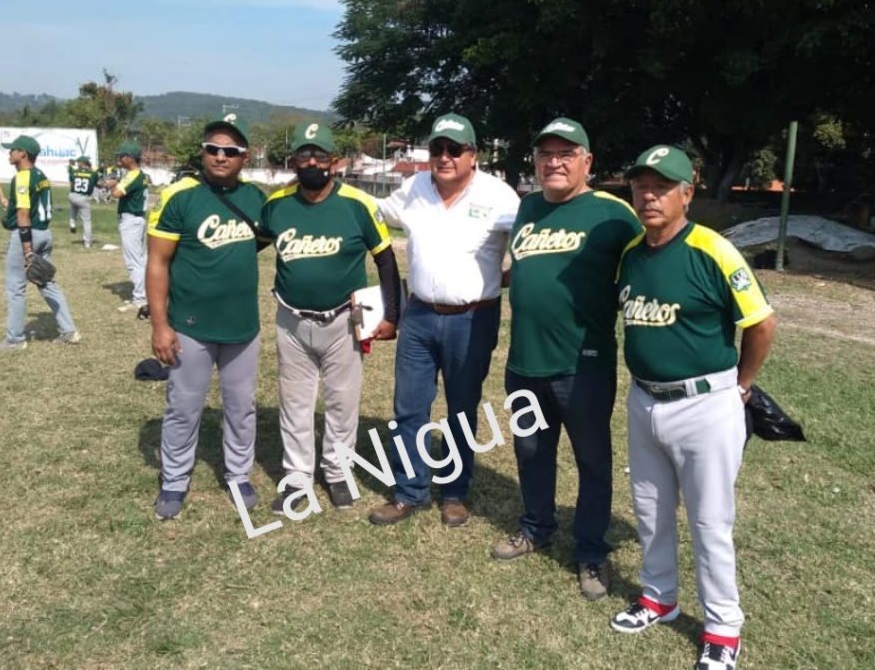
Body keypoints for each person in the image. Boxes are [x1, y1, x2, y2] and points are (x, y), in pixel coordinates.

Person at [609, 145, 776, 670]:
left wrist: (741, 385)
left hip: (706, 402)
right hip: (644, 398)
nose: (649, 194)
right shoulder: (631, 251)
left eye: (662, 185)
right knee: (650, 509)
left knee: (709, 521)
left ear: (688, 192)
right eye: (641, 185)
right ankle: (659, 596)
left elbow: (761, 322)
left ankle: (723, 628)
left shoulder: (713, 250)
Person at [489, 116, 642, 600]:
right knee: (532, 451)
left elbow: (647, 272)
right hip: (525, 362)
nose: (554, 162)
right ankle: (536, 526)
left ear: (587, 162)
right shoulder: (529, 207)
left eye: (566, 154)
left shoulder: (614, 215)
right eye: (545, 154)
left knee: (592, 460)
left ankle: (591, 551)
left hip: (584, 365)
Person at [368, 112, 520, 528]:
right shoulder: (413, 188)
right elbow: (371, 214)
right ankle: (408, 491)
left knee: (461, 409)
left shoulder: (499, 195)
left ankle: (454, 492)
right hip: (418, 315)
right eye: (438, 148)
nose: (445, 156)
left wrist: (502, 276)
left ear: (474, 155)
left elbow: (529, 246)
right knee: (409, 407)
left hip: (473, 318)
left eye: (456, 149)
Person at [261, 122, 401, 513]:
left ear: (335, 162)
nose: (311, 162)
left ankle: (338, 472)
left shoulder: (357, 203)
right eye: (303, 155)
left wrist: (392, 314)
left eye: (319, 155)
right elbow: (247, 248)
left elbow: (386, 259)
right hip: (291, 319)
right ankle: (297, 478)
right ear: (292, 161)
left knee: (342, 401)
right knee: (295, 403)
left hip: (344, 319)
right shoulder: (276, 204)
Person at [147, 115, 266, 520]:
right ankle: (175, 481)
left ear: (243, 157)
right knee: (184, 405)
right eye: (213, 148)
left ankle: (238, 474)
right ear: (202, 152)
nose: (220, 156)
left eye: (230, 151)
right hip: (191, 325)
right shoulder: (180, 196)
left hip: (242, 327)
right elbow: (158, 263)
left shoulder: (256, 199)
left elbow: (263, 241)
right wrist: (160, 325)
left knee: (240, 405)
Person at [0, 135, 80, 350]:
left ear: (23, 153)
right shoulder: (41, 175)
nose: (9, 153)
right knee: (46, 282)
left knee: (15, 287)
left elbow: (24, 214)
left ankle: (15, 340)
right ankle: (68, 330)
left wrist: (27, 249)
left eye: (13, 150)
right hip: (44, 232)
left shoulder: (23, 177)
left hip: (28, 235)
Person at [107, 140, 148, 318]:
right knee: (140, 259)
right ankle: (144, 294)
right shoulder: (140, 174)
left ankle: (140, 299)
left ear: (131, 158)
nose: (119, 158)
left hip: (131, 220)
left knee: (134, 262)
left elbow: (116, 193)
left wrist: (111, 185)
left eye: (122, 156)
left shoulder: (133, 175)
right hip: (137, 219)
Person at [68, 156, 98, 248]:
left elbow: (72, 182)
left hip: (72, 195)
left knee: (74, 207)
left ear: (81, 163)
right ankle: (87, 242)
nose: (77, 164)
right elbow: (96, 183)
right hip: (84, 197)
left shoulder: (74, 172)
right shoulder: (93, 173)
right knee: (87, 220)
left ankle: (72, 222)